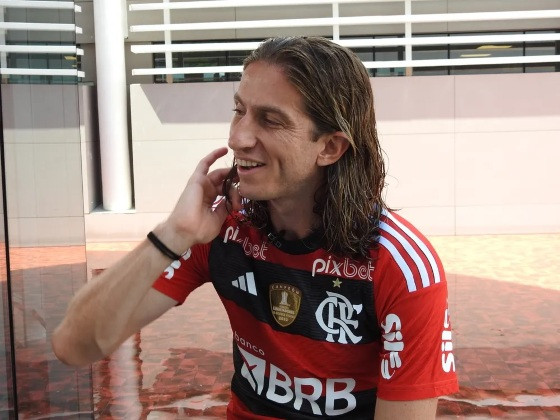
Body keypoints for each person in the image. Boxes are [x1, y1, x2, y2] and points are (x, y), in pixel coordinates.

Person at [52, 36, 458, 419]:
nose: (238, 137)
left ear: (330, 147)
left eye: (270, 120)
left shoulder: (401, 267)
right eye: (239, 110)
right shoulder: (222, 227)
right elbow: (74, 344)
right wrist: (174, 234)